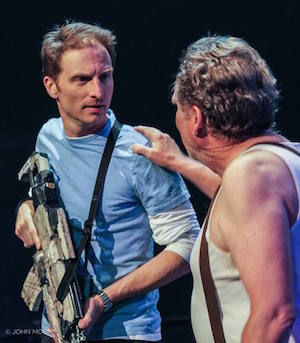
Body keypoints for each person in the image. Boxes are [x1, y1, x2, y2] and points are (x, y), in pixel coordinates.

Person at [14, 21, 217, 343]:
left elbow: (188, 245)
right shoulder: (47, 136)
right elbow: (44, 197)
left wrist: (104, 299)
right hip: (54, 326)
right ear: (52, 86)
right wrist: (25, 207)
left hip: (126, 331)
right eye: (82, 79)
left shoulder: (139, 152)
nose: (97, 91)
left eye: (105, 76)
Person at [132, 35, 300, 342]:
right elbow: (240, 212)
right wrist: (179, 162)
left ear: (196, 119)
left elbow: (275, 314)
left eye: (178, 109)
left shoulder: (251, 177)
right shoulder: (280, 161)